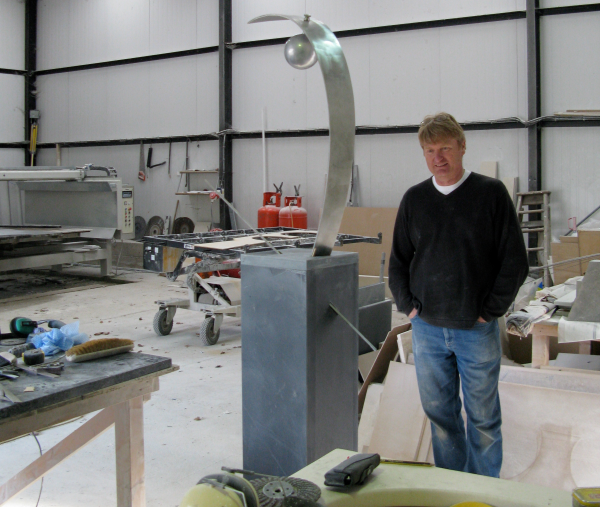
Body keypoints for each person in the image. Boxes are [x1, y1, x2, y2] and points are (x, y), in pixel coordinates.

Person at [388, 112, 529, 477]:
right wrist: (409, 307)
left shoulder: (490, 194)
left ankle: (482, 493)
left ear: (462, 146)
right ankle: (453, 488)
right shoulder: (415, 199)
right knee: (441, 418)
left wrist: (489, 311)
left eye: (445, 148)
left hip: (475, 329)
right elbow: (399, 261)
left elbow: (514, 261)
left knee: (483, 420)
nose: (438, 157)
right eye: (430, 150)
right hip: (428, 330)